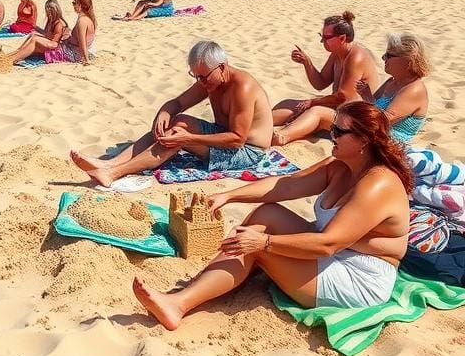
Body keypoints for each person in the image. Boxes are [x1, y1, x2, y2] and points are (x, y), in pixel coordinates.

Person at [133, 101, 412, 328]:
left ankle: (178, 305)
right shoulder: (340, 165)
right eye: (333, 128)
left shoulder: (378, 184)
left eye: (339, 132)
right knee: (266, 214)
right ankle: (220, 276)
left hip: (358, 278)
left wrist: (264, 244)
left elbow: (328, 243)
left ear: (363, 140)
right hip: (334, 254)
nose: (331, 135)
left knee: (254, 244)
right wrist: (230, 195)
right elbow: (285, 185)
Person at [70, 41, 272, 186]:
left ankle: (114, 173)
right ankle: (109, 163)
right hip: (225, 135)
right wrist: (164, 113)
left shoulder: (241, 87)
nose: (200, 82)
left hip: (248, 151)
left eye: (203, 77)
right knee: (176, 122)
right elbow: (178, 102)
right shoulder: (211, 80)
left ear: (221, 67)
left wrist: (189, 138)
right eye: (196, 76)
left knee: (177, 137)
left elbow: (237, 139)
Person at [271, 11, 379, 145]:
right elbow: (320, 83)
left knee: (316, 111)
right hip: (339, 109)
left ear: (342, 38)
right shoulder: (337, 54)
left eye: (326, 37)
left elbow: (343, 96)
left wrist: (312, 102)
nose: (322, 41)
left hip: (354, 118)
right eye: (321, 36)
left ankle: (281, 136)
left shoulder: (356, 57)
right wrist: (307, 62)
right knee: (290, 104)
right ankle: (258, 123)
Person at [0, 0, 96, 71]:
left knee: (35, 41)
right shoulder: (88, 19)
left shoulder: (82, 21)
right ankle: (9, 57)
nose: (73, 5)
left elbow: (82, 42)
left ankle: (7, 60)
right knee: (34, 41)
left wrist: (86, 60)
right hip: (71, 50)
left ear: (80, 5)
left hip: (72, 54)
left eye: (74, 3)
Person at [355, 33, 429, 143]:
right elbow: (371, 108)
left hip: (390, 144)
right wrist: (366, 95)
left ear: (408, 60)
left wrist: (367, 97)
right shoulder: (392, 81)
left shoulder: (414, 89)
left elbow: (383, 121)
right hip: (372, 135)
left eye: (389, 55)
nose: (383, 57)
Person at [0, 0, 68, 70]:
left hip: (54, 48)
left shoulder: (59, 24)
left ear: (56, 10)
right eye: (47, 9)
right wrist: (36, 28)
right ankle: (10, 56)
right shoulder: (51, 21)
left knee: (34, 39)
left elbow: (54, 42)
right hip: (49, 43)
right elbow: (46, 34)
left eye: (51, 10)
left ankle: (9, 60)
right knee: (32, 36)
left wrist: (40, 38)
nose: (49, 12)